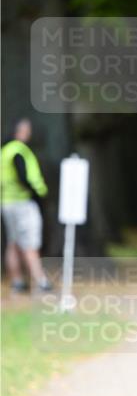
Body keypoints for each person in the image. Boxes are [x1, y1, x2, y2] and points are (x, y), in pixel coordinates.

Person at [1, 119, 52, 293]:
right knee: (30, 242)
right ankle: (40, 280)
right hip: (23, 202)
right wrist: (36, 193)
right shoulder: (19, 151)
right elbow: (23, 176)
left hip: (7, 202)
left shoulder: (4, 151)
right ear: (19, 131)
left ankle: (17, 281)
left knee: (13, 242)